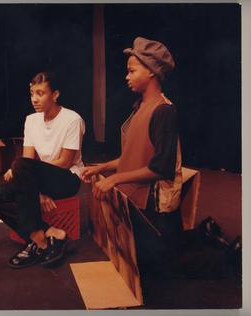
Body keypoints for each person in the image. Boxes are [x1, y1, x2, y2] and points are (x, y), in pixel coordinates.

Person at [82, 37, 183, 275]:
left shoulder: (163, 111)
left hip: (155, 208)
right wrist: (102, 167)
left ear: (151, 71)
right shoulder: (140, 107)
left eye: (131, 71)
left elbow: (161, 168)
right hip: (137, 200)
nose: (127, 76)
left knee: (161, 271)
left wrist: (114, 179)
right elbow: (131, 156)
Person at [0, 71, 85, 269]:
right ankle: (49, 234)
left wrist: (30, 179)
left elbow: (65, 162)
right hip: (38, 177)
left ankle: (37, 242)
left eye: (41, 93)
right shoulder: (31, 120)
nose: (35, 99)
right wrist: (35, 188)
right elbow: (28, 158)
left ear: (55, 95)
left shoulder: (72, 119)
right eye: (32, 93)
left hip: (67, 178)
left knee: (19, 165)